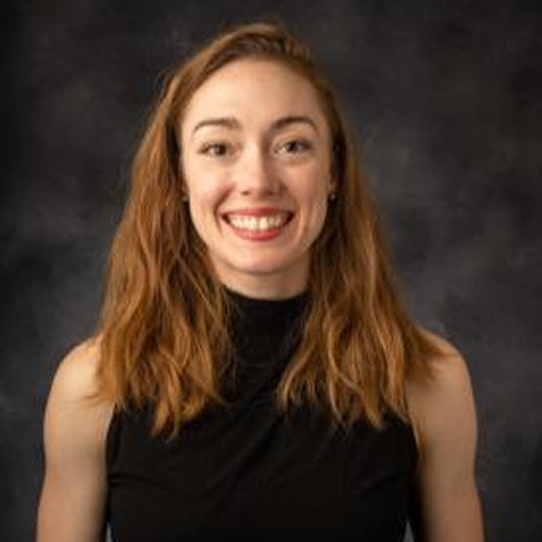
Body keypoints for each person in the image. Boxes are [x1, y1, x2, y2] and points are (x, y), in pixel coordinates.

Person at [36, 21, 484, 542]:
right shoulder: (94, 387)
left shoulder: (430, 382)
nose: (257, 181)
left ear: (334, 172)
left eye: (292, 145)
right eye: (218, 148)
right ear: (179, 177)